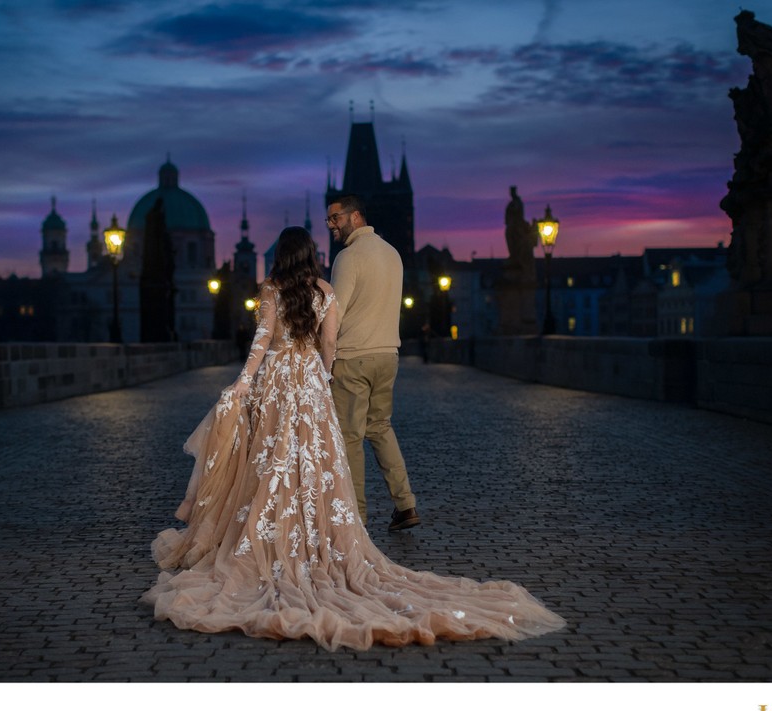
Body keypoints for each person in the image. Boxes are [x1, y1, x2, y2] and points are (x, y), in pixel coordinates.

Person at [142, 226, 565, 651]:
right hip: (310, 382)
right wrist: (322, 379)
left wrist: (243, 381)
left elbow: (262, 340)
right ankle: (314, 533)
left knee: (272, 459)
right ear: (310, 256)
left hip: (277, 381)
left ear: (281, 257)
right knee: (316, 460)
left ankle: (271, 531)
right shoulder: (325, 290)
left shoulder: (270, 287)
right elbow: (329, 344)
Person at [326, 195, 418, 531]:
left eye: (335, 218)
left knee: (350, 438)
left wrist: (326, 358)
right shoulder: (392, 253)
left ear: (355, 216)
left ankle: (356, 518)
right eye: (329, 221)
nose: (332, 226)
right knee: (380, 428)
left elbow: (334, 314)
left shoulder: (348, 258)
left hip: (354, 358)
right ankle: (405, 504)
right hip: (388, 354)